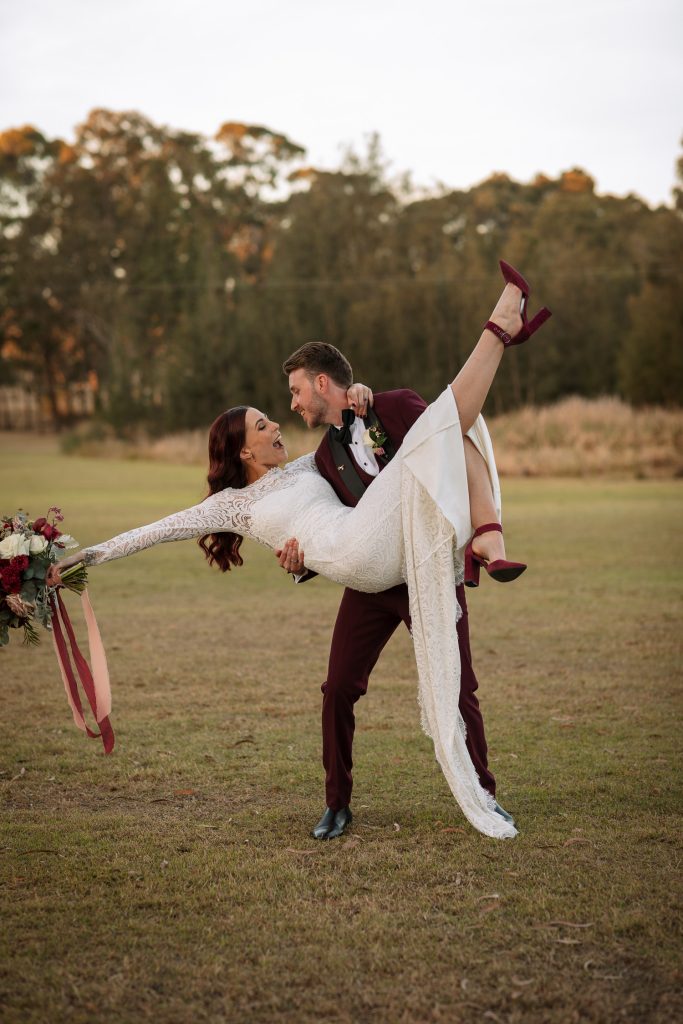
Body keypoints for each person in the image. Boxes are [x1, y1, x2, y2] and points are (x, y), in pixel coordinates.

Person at [50, 261, 550, 840]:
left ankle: (486, 791)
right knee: (338, 688)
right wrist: (78, 560)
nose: (279, 421)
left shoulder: (322, 453)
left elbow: (354, 455)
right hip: (363, 567)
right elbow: (154, 530)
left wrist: (359, 401)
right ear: (243, 450)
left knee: (459, 676)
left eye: (282, 406)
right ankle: (337, 803)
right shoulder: (233, 505)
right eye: (264, 424)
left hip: (405, 555)